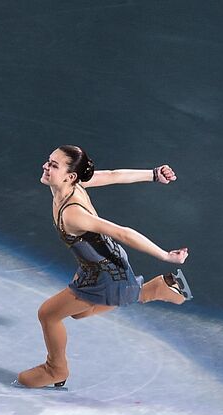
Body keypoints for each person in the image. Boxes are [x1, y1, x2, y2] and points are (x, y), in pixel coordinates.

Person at [17, 145, 191, 389]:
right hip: (93, 267)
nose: (46, 166)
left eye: (54, 165)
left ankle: (56, 369)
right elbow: (113, 175)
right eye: (49, 161)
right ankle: (155, 288)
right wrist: (153, 173)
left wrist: (165, 255)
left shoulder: (72, 214)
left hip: (106, 273)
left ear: (70, 176)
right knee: (78, 312)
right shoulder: (70, 186)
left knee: (48, 314)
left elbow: (122, 232)